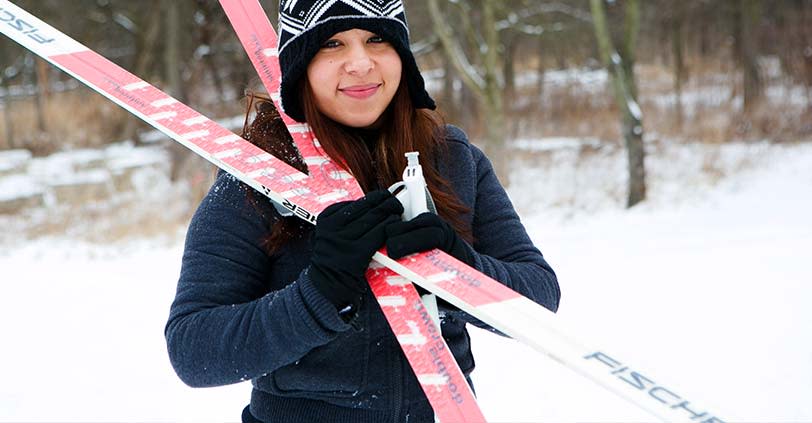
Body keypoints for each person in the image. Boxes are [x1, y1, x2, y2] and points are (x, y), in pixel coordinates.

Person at [165, 1, 560, 421]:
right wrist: (318, 294)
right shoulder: (259, 178)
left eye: (377, 39)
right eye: (332, 44)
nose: (360, 64)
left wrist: (460, 271)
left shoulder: (453, 159)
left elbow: (540, 297)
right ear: (300, 64)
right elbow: (194, 349)